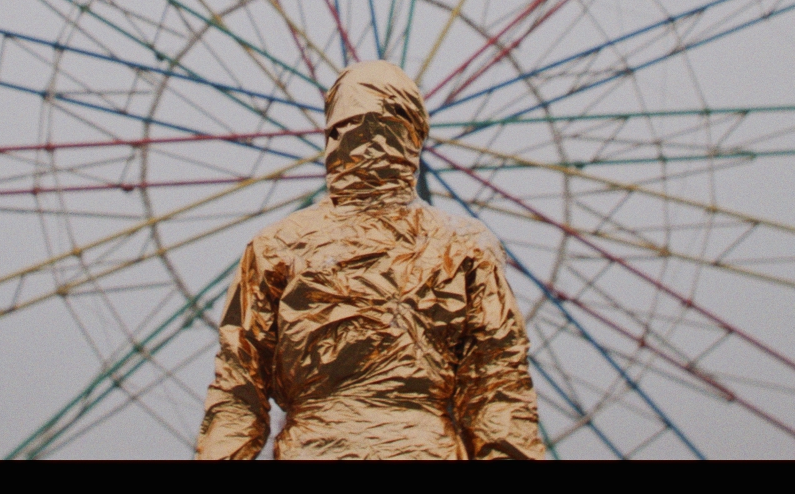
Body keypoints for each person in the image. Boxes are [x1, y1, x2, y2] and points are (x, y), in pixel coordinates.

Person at [195, 60, 544, 460]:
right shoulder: (465, 244)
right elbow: (498, 390)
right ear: (415, 134)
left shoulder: (277, 245)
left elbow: (237, 394)